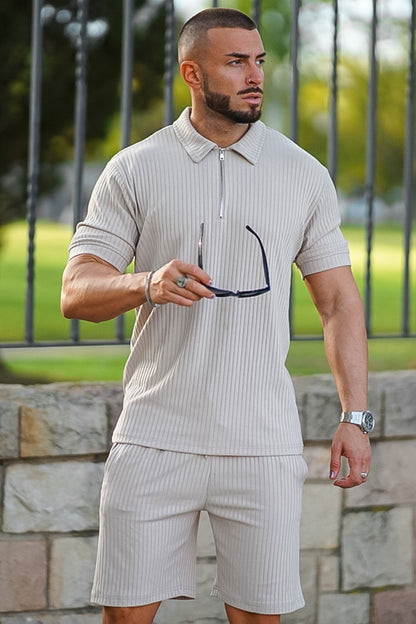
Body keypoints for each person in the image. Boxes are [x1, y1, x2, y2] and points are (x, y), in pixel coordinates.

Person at [61, 8, 373, 624]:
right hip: (153, 437)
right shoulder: (135, 168)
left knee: (260, 617)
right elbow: (76, 291)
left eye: (259, 61)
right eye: (235, 62)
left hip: (262, 442)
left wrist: (355, 416)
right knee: (124, 617)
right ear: (192, 74)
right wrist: (146, 283)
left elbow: (338, 302)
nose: (255, 76)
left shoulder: (303, 173)